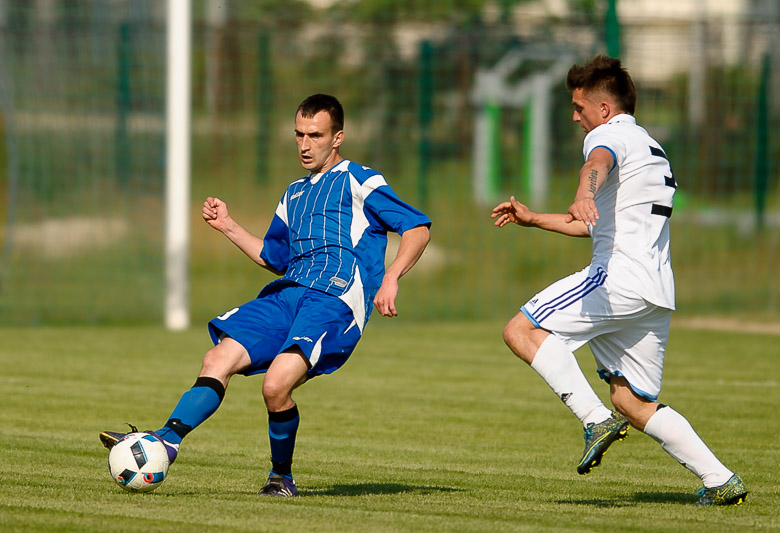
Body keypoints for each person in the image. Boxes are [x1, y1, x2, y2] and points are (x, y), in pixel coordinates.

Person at [100, 93, 431, 497]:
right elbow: (273, 257)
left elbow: (416, 227)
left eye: (315, 135)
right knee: (217, 358)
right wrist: (228, 226)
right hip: (287, 294)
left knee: (275, 386)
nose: (305, 144)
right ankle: (166, 442)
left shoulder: (360, 180)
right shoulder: (294, 193)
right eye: (299, 134)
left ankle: (281, 478)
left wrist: (392, 276)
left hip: (334, 299)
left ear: (338, 137)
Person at [491, 55, 747, 506]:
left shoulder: (608, 137)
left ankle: (594, 419)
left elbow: (597, 164)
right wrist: (534, 219)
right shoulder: (649, 146)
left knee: (521, 330)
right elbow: (594, 223)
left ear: (605, 109)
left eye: (579, 107)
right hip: (654, 292)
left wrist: (583, 191)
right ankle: (720, 480)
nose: (575, 117)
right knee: (632, 402)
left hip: (618, 279)